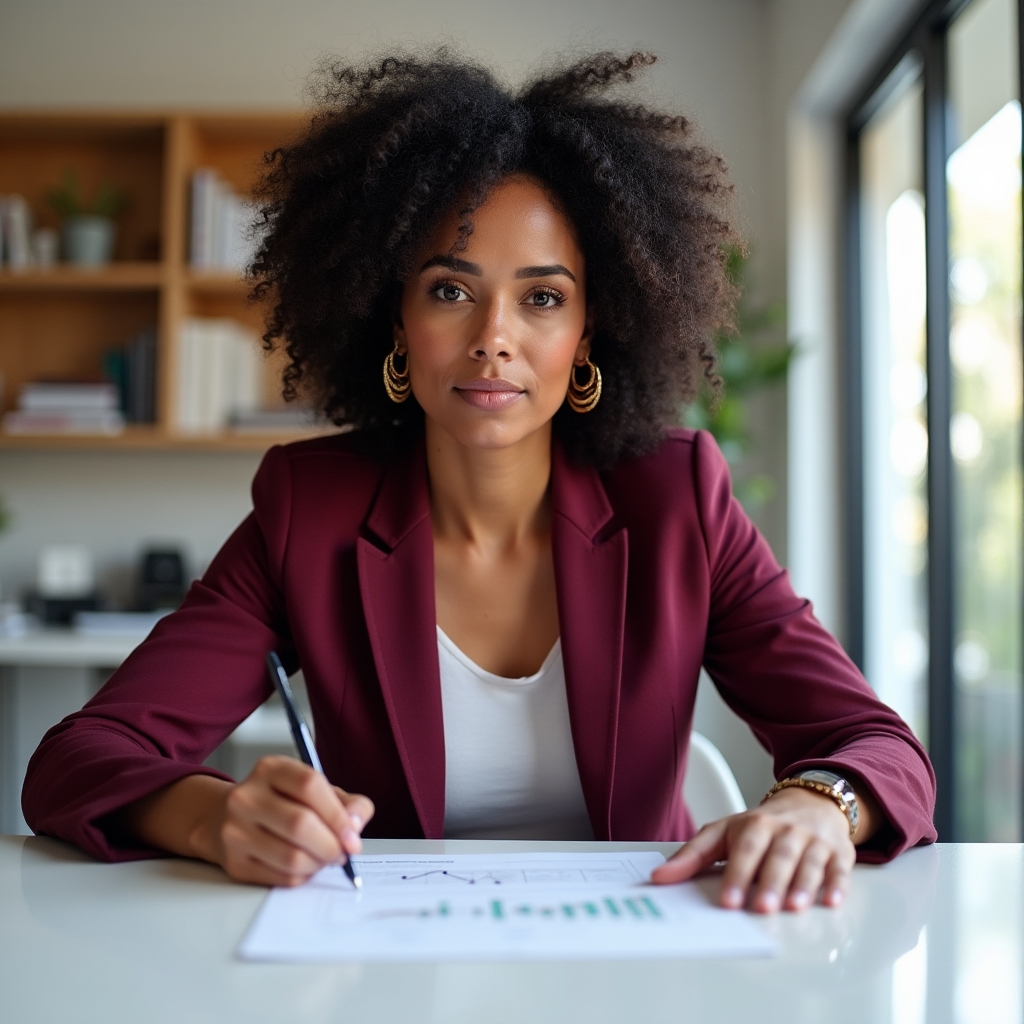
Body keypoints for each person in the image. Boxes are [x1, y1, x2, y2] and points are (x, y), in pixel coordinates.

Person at [23, 51, 936, 914]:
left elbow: (879, 749)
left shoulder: (678, 500)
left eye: (542, 298)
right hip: (394, 969)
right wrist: (214, 817)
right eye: (450, 291)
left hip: (641, 957)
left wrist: (823, 802)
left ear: (589, 333)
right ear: (395, 319)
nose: (492, 336)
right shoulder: (310, 510)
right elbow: (80, 757)